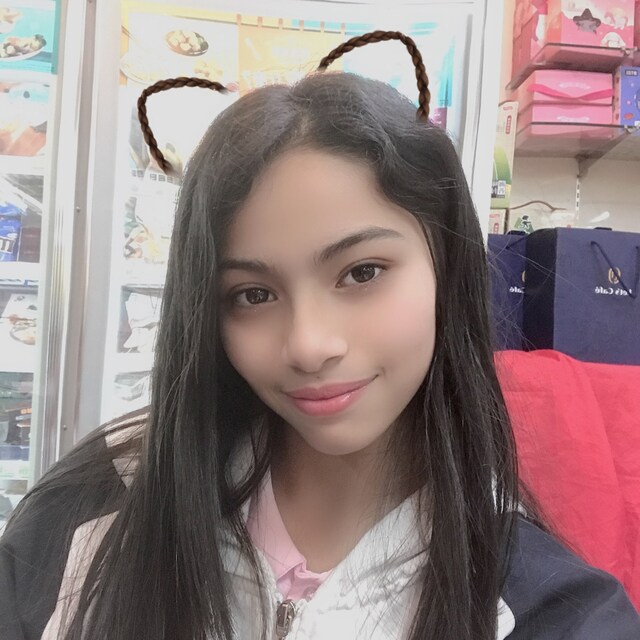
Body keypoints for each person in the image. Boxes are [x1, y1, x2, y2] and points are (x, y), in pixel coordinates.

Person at [1, 32, 639, 640]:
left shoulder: (551, 612)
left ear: (446, 266)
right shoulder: (95, 503)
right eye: (253, 295)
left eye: (362, 273)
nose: (308, 345)